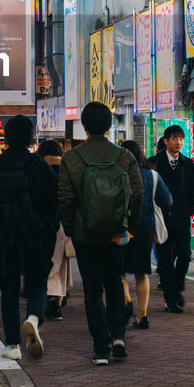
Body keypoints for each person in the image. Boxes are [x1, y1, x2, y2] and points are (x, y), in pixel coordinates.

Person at [58, 102, 142, 365]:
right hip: (116, 234)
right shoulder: (124, 156)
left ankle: (100, 347)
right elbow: (137, 195)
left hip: (86, 235)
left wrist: (71, 229)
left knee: (92, 290)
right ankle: (119, 336)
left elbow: (65, 199)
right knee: (115, 283)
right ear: (109, 126)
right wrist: (130, 227)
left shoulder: (71, 158)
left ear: (83, 126)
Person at [0, 115, 58, 360]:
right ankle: (33, 317)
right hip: (33, 235)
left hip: (2, 236)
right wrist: (49, 229)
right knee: (37, 281)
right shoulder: (39, 165)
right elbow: (53, 202)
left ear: (6, 136)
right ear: (30, 137)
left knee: (8, 286)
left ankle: (12, 345)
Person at [120, 141, 172, 329]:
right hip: (145, 229)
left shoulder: (117, 174)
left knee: (120, 271)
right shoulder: (153, 175)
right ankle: (142, 315)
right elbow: (167, 200)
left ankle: (126, 301)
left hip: (121, 229)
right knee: (142, 273)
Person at [154, 125, 194, 313]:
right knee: (165, 261)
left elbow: (192, 190)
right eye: (174, 138)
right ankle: (170, 299)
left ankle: (176, 287)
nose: (179, 142)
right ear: (166, 141)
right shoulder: (154, 163)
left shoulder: (188, 164)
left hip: (181, 219)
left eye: (181, 138)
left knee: (185, 256)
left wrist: (189, 209)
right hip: (161, 220)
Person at [38, 140, 74, 321]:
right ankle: (57, 302)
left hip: (41, 221)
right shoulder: (67, 168)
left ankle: (50, 300)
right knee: (61, 264)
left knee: (48, 263)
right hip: (63, 222)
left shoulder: (38, 168)